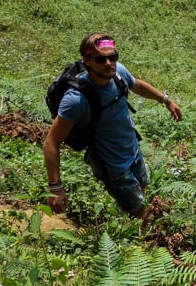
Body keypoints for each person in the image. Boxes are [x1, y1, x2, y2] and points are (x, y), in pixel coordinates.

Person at [44, 32, 182, 218]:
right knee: (139, 212)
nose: (108, 63)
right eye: (100, 60)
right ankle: (141, 242)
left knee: (142, 190)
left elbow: (137, 85)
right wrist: (55, 187)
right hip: (113, 165)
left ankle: (139, 231)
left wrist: (166, 100)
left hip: (132, 149)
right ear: (87, 61)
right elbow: (51, 142)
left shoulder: (118, 73)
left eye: (112, 57)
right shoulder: (76, 100)